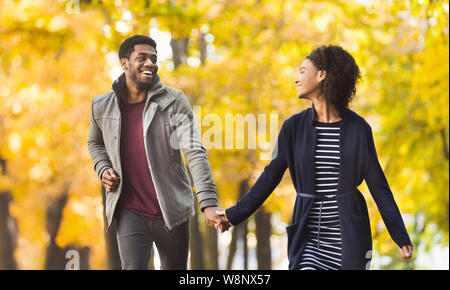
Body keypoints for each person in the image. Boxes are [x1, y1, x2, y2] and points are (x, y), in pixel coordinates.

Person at [217, 45, 413, 270]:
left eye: (302, 71)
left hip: (348, 237)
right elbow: (270, 177)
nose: (296, 79)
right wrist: (233, 215)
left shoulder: (359, 129)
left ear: (322, 74)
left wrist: (400, 234)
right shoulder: (293, 127)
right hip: (307, 236)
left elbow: (378, 185)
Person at [88, 35, 229, 270]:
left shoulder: (174, 101)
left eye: (154, 58)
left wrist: (208, 202)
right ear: (124, 63)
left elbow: (194, 150)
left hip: (173, 211)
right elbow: (95, 143)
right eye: (141, 58)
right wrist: (102, 167)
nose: (150, 63)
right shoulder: (101, 106)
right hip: (129, 211)